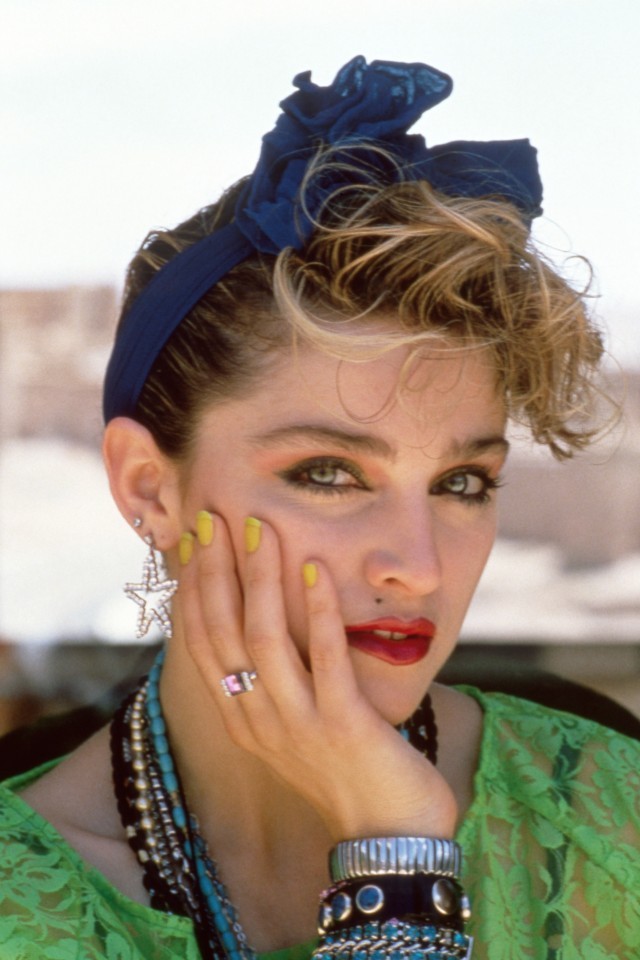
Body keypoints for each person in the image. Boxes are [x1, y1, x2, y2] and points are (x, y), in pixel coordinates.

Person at [0, 56, 637, 960]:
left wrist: (397, 829)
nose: (416, 566)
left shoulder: (609, 818)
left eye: (462, 483)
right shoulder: (22, 902)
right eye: (329, 473)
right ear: (150, 487)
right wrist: (396, 859)